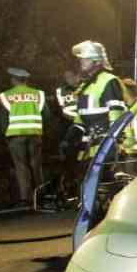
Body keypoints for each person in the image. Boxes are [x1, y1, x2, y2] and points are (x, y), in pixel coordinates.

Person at [0, 68, 50, 207]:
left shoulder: (6, 95)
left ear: (14, 80)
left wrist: (5, 134)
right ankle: (41, 196)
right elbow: (47, 115)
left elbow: (3, 119)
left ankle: (25, 199)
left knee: (21, 167)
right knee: (36, 165)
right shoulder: (38, 94)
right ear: (26, 80)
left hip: (15, 136)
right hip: (35, 133)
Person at [72, 41, 126, 164]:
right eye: (81, 58)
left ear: (96, 61)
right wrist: (71, 136)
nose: (82, 61)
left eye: (86, 58)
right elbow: (80, 116)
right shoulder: (85, 85)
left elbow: (116, 116)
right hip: (87, 147)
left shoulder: (109, 81)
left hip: (104, 147)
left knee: (105, 181)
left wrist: (112, 143)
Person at [55, 70, 84, 202]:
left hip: (83, 127)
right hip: (68, 126)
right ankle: (70, 189)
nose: (68, 79)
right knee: (68, 160)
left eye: (71, 76)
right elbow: (61, 109)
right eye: (66, 77)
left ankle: (79, 191)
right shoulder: (61, 91)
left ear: (77, 76)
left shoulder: (85, 87)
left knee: (81, 161)